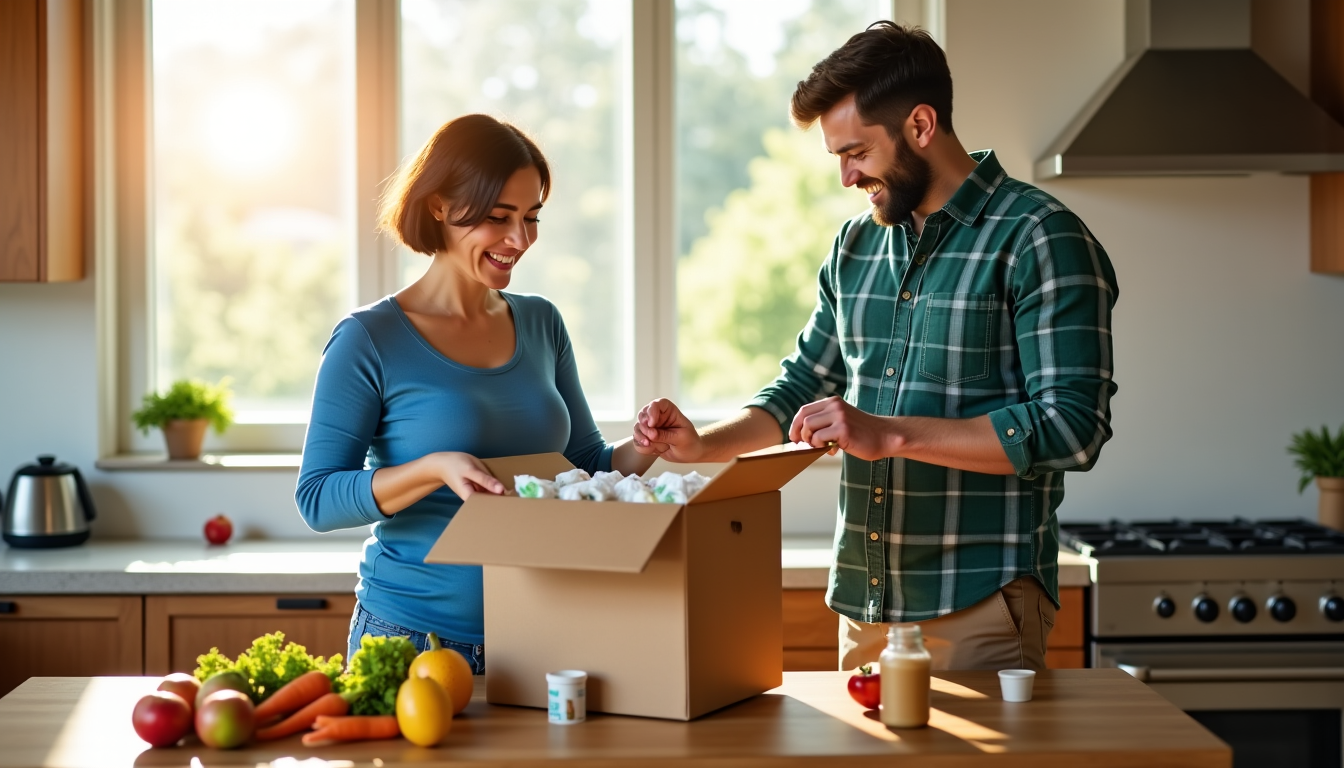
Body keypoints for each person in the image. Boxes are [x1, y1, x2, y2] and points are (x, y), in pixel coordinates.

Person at [633, 22, 1117, 672]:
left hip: (978, 602)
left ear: (920, 125)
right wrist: (703, 447)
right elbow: (802, 386)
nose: (844, 176)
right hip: (865, 600)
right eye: (837, 155)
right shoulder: (856, 247)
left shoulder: (1039, 238)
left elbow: (1071, 429)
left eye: (856, 151)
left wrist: (889, 434)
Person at [296, 114, 658, 671]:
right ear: (439, 204)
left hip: (547, 634)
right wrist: (432, 469)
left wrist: (648, 445)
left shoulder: (541, 323)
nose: (520, 239)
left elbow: (585, 465)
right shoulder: (369, 339)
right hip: (413, 638)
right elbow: (317, 499)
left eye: (532, 217)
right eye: (498, 217)